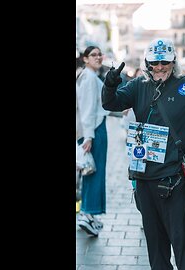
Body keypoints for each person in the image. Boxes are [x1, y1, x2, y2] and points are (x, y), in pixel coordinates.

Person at [101, 38, 185, 270]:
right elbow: (110, 104)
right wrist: (110, 84)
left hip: (175, 178)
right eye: (155, 62)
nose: (160, 67)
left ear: (173, 61)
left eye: (165, 61)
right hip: (143, 177)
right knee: (155, 245)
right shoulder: (138, 86)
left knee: (182, 241)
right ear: (147, 63)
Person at [76, 46, 109, 237]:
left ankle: (89, 213)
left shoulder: (89, 76)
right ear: (85, 59)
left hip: (95, 128)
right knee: (93, 172)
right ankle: (87, 213)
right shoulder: (88, 77)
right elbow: (87, 108)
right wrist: (88, 136)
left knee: (90, 171)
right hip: (94, 131)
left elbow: (99, 105)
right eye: (93, 55)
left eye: (99, 54)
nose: (98, 57)